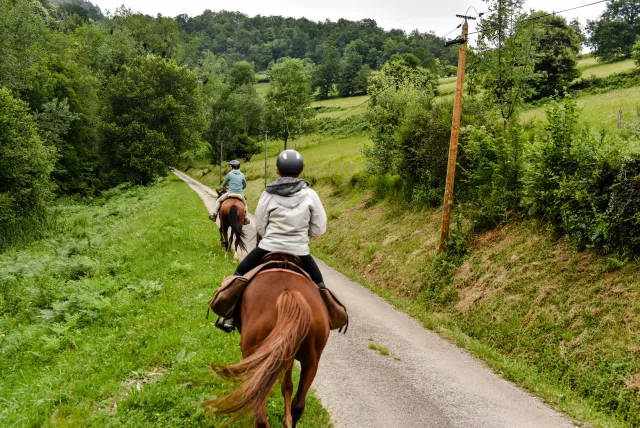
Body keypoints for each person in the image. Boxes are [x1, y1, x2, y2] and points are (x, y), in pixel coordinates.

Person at [216, 149, 328, 332]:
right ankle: (330, 317)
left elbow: (260, 226)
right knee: (321, 285)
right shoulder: (311, 195)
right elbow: (319, 228)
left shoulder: (268, 193)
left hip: (268, 248)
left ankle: (227, 316)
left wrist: (274, 235)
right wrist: (301, 234)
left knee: (239, 273)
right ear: (300, 171)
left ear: (277, 171)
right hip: (300, 252)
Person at [210, 160, 250, 225]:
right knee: (245, 204)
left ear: (231, 167)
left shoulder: (230, 174)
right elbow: (245, 185)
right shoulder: (242, 175)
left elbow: (223, 184)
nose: (228, 167)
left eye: (229, 166)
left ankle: (214, 215)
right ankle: (246, 218)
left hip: (230, 193)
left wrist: (223, 187)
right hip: (240, 194)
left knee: (218, 201)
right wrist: (240, 188)